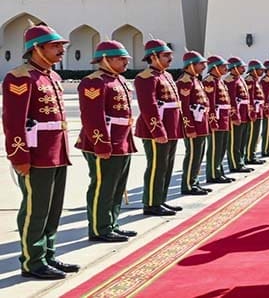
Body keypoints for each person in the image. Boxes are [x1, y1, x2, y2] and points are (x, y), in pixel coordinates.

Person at [3, 24, 80, 279]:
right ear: (36, 48)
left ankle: (48, 254)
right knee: (35, 210)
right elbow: (14, 121)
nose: (61, 50)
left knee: (53, 209)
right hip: (36, 155)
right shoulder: (20, 77)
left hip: (56, 152)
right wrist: (19, 156)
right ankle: (32, 261)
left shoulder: (52, 76)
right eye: (55, 46)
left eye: (61, 46)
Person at [76, 40, 138, 243]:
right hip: (103, 142)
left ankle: (111, 224)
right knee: (103, 186)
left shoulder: (119, 80)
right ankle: (99, 228)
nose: (126, 62)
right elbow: (92, 116)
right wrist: (101, 144)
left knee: (117, 186)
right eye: (120, 59)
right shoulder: (94, 82)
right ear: (106, 60)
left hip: (121, 140)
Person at [134, 39, 183, 216]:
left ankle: (160, 199)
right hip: (156, 128)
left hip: (171, 127)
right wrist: (157, 131)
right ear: (154, 57)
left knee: (167, 166)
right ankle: (151, 203)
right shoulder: (145, 77)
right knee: (157, 166)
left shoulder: (166, 75)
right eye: (166, 55)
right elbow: (149, 106)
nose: (170, 58)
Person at [177, 51, 212, 195]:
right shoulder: (185, 81)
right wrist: (189, 127)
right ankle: (188, 185)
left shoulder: (195, 80)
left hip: (201, 122)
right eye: (201, 64)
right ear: (191, 65)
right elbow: (184, 107)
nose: (204, 66)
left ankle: (194, 182)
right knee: (192, 155)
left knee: (199, 154)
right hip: (193, 124)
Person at [204, 55, 234, 184]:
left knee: (222, 147)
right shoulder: (209, 81)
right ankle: (213, 173)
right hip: (217, 117)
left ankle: (219, 171)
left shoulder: (219, 80)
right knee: (215, 147)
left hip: (224, 116)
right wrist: (212, 120)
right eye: (223, 66)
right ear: (215, 67)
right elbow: (210, 103)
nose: (226, 68)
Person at [225, 57, 253, 174]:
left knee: (242, 140)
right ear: (234, 68)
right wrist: (234, 116)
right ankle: (235, 164)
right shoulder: (230, 81)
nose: (243, 69)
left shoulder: (239, 79)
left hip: (244, 113)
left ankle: (240, 162)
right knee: (234, 142)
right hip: (237, 114)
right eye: (241, 67)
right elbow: (232, 100)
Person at [244, 60, 267, 166]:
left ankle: (252, 154)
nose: (262, 71)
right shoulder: (249, 80)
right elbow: (250, 97)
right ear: (253, 70)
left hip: (259, 109)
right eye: (260, 69)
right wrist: (252, 112)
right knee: (252, 135)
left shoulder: (255, 80)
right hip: (254, 111)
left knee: (256, 135)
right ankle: (249, 156)